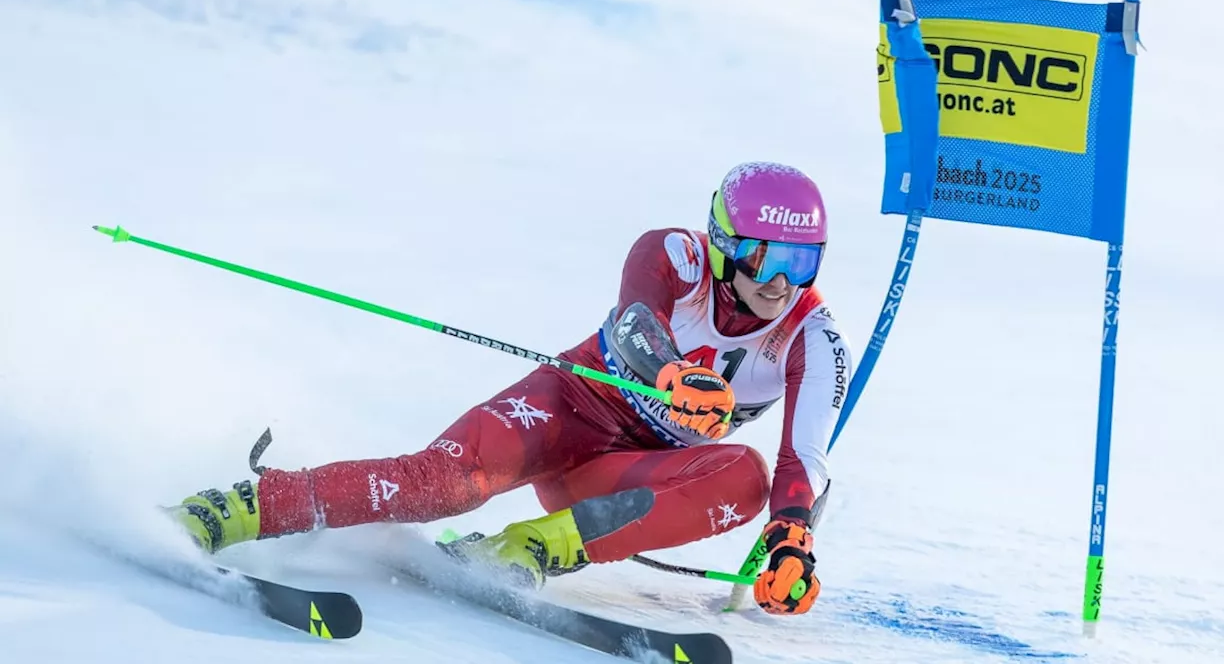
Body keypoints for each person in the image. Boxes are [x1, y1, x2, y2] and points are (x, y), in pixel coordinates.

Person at [168, 161, 850, 616]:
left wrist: (792, 537)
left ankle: (522, 549)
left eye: (801, 260)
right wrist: (670, 375)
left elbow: (805, 459)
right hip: (566, 410)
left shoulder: (813, 337)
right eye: (765, 255)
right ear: (725, 241)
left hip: (620, 482)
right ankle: (240, 506)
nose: (779, 281)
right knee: (439, 485)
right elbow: (637, 320)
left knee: (745, 477)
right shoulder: (671, 254)